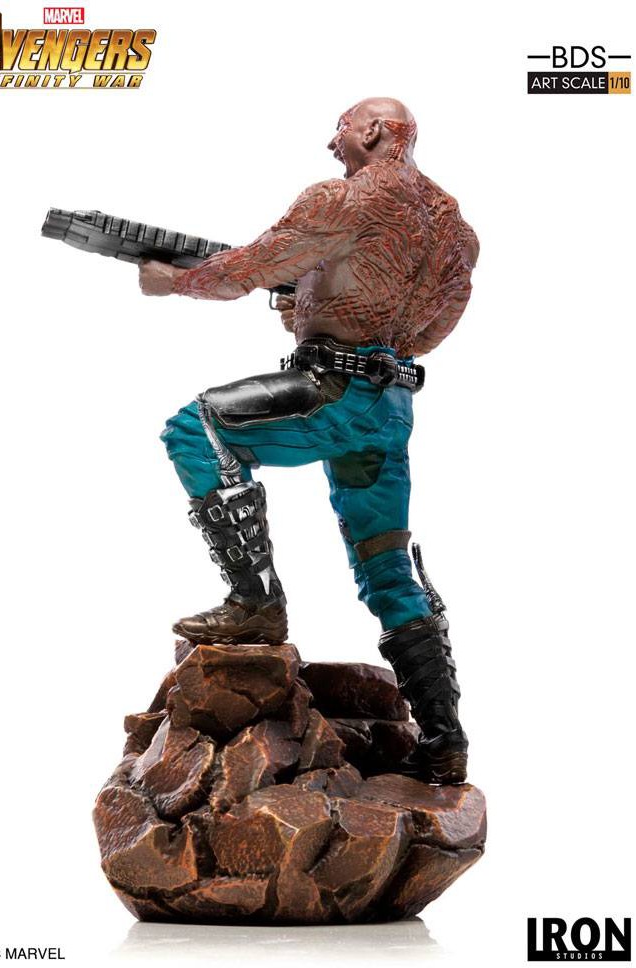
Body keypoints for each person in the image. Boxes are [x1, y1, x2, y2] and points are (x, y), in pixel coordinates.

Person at [138, 97, 479, 784]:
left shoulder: (341, 199)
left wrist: (176, 282)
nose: (332, 143)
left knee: (195, 428)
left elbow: (250, 266)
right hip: (389, 407)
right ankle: (444, 740)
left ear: (374, 131)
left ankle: (254, 603)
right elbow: (431, 327)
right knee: (386, 566)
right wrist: (318, 311)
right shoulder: (455, 228)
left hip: (333, 395)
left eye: (342, 128)